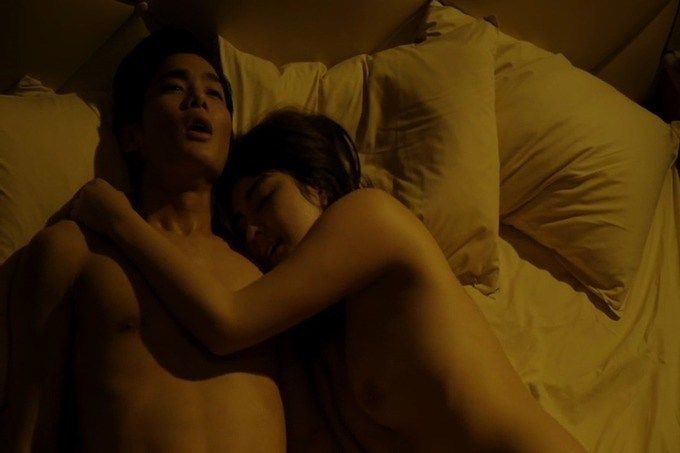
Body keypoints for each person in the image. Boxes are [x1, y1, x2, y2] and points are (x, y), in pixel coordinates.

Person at [69, 108, 587, 452]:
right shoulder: (328, 340)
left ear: (317, 185)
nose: (253, 233)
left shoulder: (369, 215)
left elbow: (229, 321)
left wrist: (120, 221)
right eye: (241, 226)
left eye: (264, 199)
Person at [0, 28, 307, 452]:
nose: (198, 100)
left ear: (229, 137)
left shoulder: (260, 264)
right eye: (173, 87)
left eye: (214, 94)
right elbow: (29, 426)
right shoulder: (75, 250)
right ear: (132, 136)